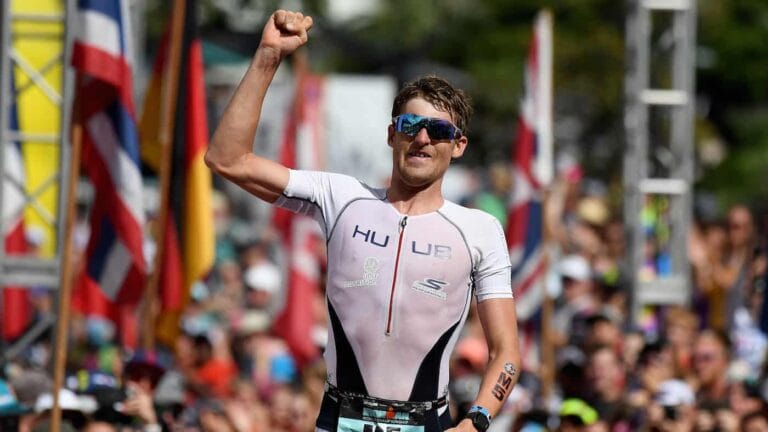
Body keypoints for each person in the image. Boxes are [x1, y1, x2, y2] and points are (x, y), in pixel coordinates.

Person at [205, 9, 521, 432]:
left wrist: (476, 421)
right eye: (411, 125)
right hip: (340, 418)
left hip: (430, 421)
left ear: (458, 145)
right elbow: (227, 159)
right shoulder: (342, 198)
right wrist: (267, 56)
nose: (423, 138)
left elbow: (507, 351)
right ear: (392, 134)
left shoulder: (479, 229)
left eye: (438, 131)